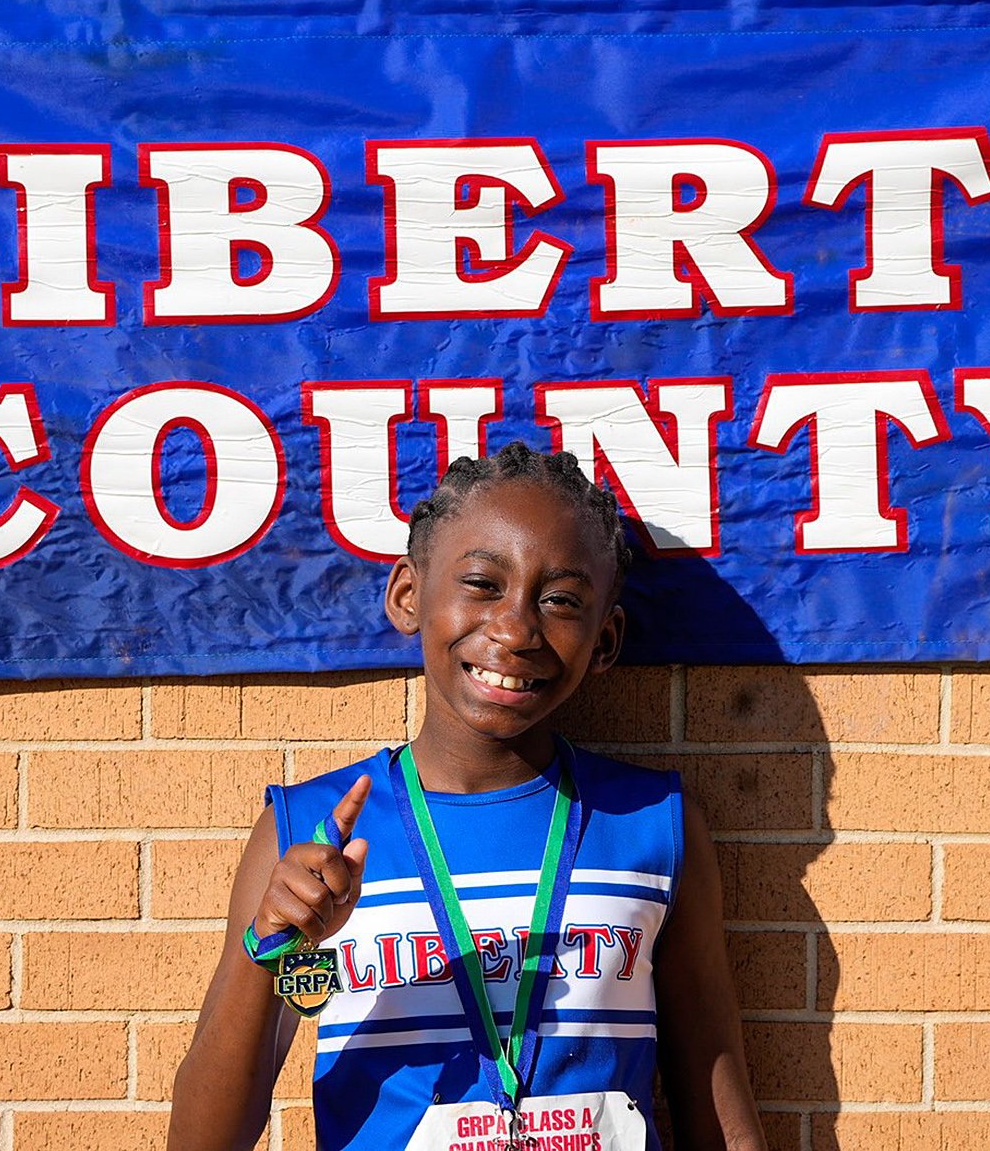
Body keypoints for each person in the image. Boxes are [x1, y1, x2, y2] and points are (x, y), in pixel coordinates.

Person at [168, 442, 765, 1151]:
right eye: (483, 583)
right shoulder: (309, 835)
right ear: (408, 596)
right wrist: (267, 944)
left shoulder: (652, 826)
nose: (514, 629)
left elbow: (712, 1095)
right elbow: (207, 1140)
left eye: (561, 600)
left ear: (605, 641)